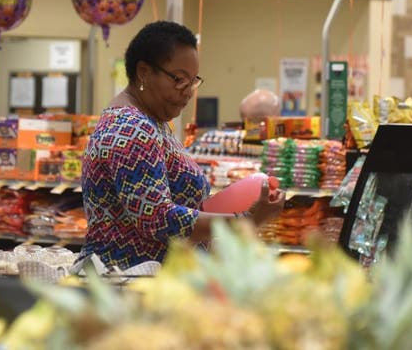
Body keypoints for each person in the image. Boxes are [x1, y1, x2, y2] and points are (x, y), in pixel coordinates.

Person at [79, 21, 285, 270]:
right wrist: (245, 221)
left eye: (192, 81)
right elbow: (156, 218)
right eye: (179, 79)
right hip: (131, 283)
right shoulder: (131, 127)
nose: (188, 92)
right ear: (144, 72)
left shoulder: (150, 121)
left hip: (154, 279)